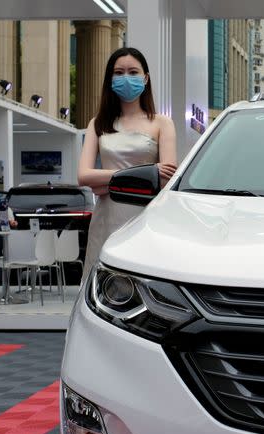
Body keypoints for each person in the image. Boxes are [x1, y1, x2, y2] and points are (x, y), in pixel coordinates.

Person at [78, 47, 178, 278]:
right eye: (119, 72)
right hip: (106, 220)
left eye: (133, 72)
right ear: (110, 79)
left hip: (147, 219)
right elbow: (83, 176)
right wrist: (149, 171)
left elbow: (166, 180)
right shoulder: (98, 123)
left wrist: (105, 183)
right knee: (102, 286)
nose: (127, 78)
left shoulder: (162, 123)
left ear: (145, 78)